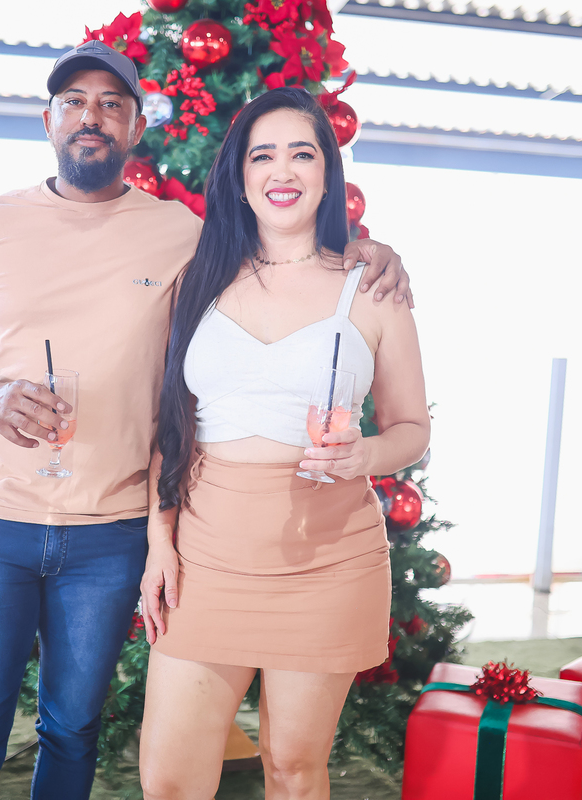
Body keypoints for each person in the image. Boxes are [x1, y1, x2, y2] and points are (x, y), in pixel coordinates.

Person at [0, 42, 413, 800]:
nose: (92, 116)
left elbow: (286, 245)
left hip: (111, 527)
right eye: (75, 101)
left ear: (137, 127)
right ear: (48, 120)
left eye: (112, 104)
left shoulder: (184, 235)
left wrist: (369, 248)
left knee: (73, 729)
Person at [137, 87, 431, 799]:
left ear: (327, 175)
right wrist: (158, 542)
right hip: (206, 557)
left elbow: (412, 430)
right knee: (169, 780)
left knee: (294, 769)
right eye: (262, 155)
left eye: (302, 154)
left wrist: (366, 455)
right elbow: (170, 424)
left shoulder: (371, 289)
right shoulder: (198, 280)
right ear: (240, 178)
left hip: (327, 559)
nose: (283, 170)